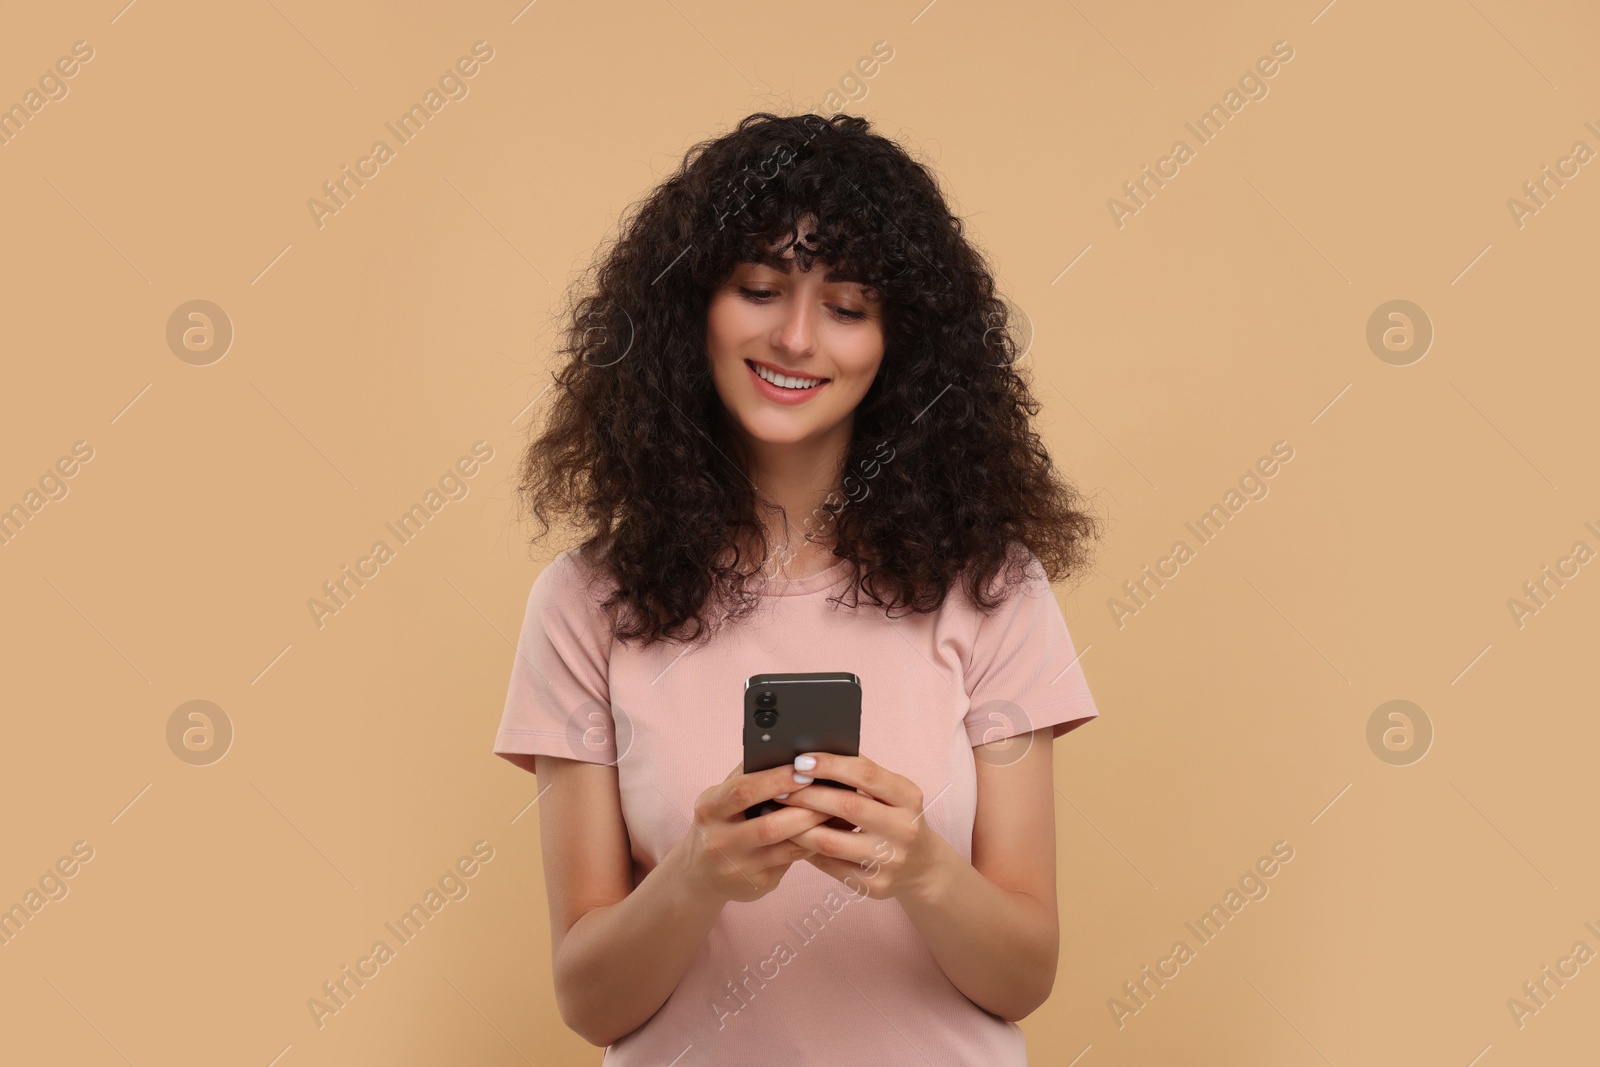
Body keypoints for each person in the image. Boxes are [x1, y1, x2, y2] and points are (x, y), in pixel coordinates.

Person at [493, 111, 1103, 1065]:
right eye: (761, 289)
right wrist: (697, 873)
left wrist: (925, 870)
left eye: (850, 306)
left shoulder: (994, 590)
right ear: (690, 307)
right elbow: (590, 999)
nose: (798, 336)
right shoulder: (584, 605)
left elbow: (1024, 975)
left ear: (904, 344)